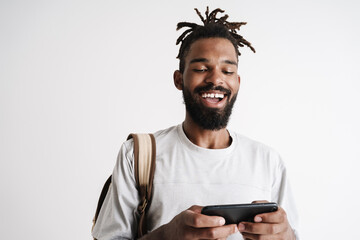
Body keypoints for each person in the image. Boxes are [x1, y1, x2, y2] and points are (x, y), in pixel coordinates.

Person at [92, 7, 299, 240]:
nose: (216, 79)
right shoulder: (138, 155)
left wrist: (287, 236)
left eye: (227, 70)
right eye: (201, 69)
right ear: (179, 79)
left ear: (238, 82)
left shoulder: (268, 161)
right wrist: (167, 235)